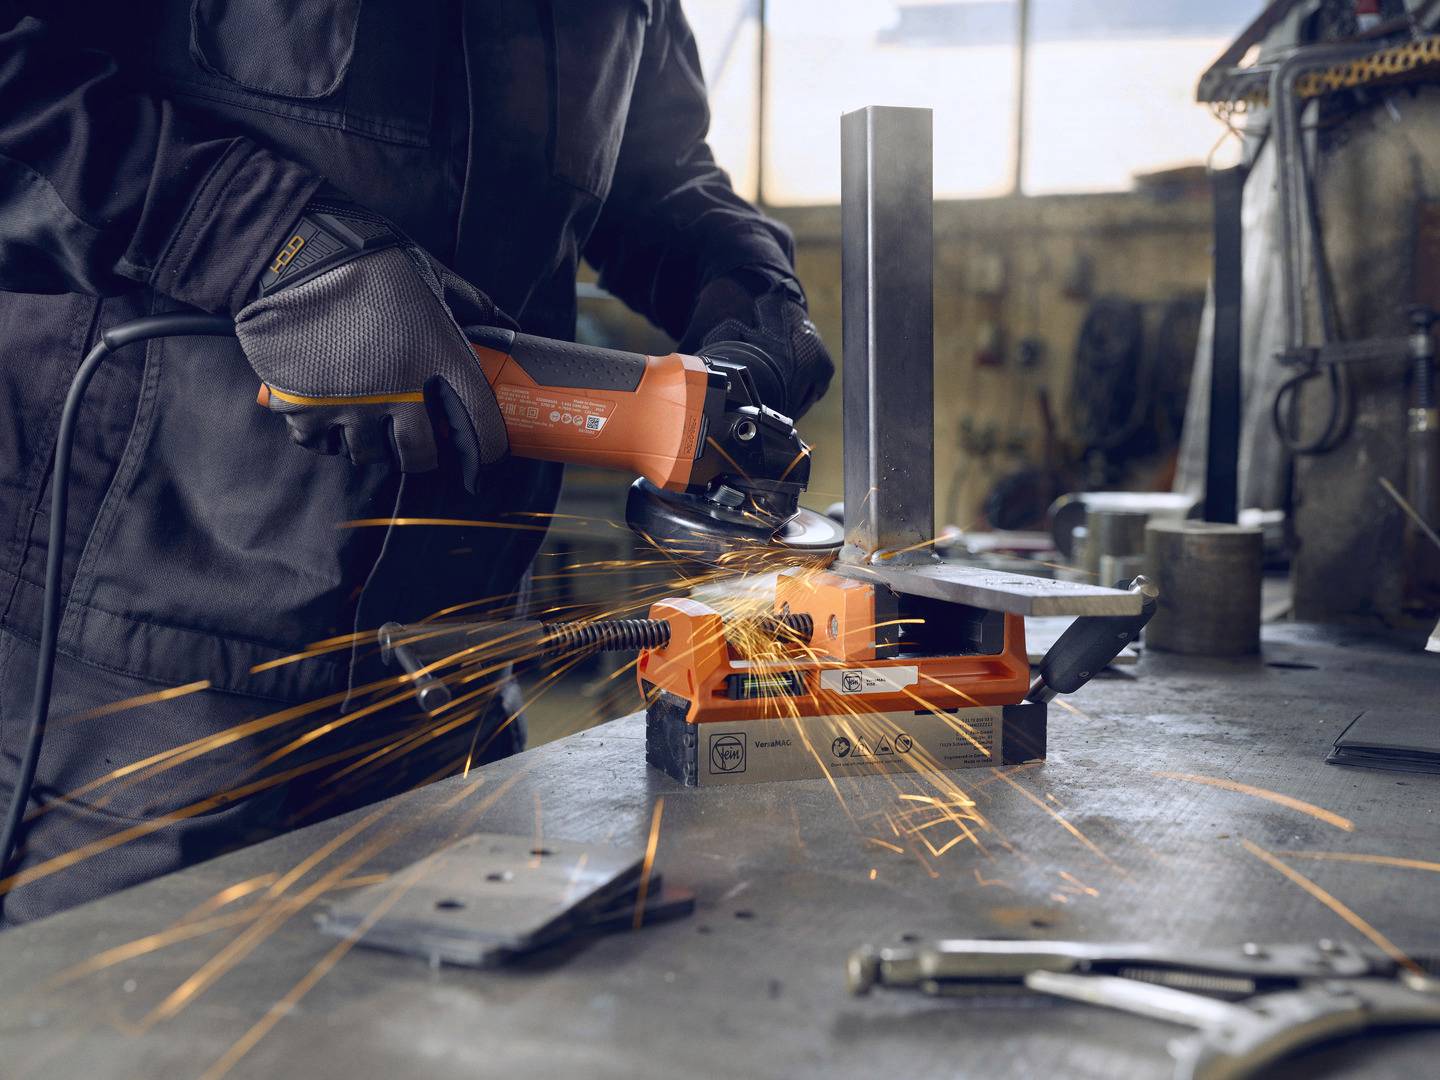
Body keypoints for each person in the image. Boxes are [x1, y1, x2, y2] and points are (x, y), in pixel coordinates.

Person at [0, 1, 832, 924]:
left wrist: (752, 288)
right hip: (138, 709)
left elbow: (657, 174)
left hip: (456, 692)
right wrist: (261, 240)